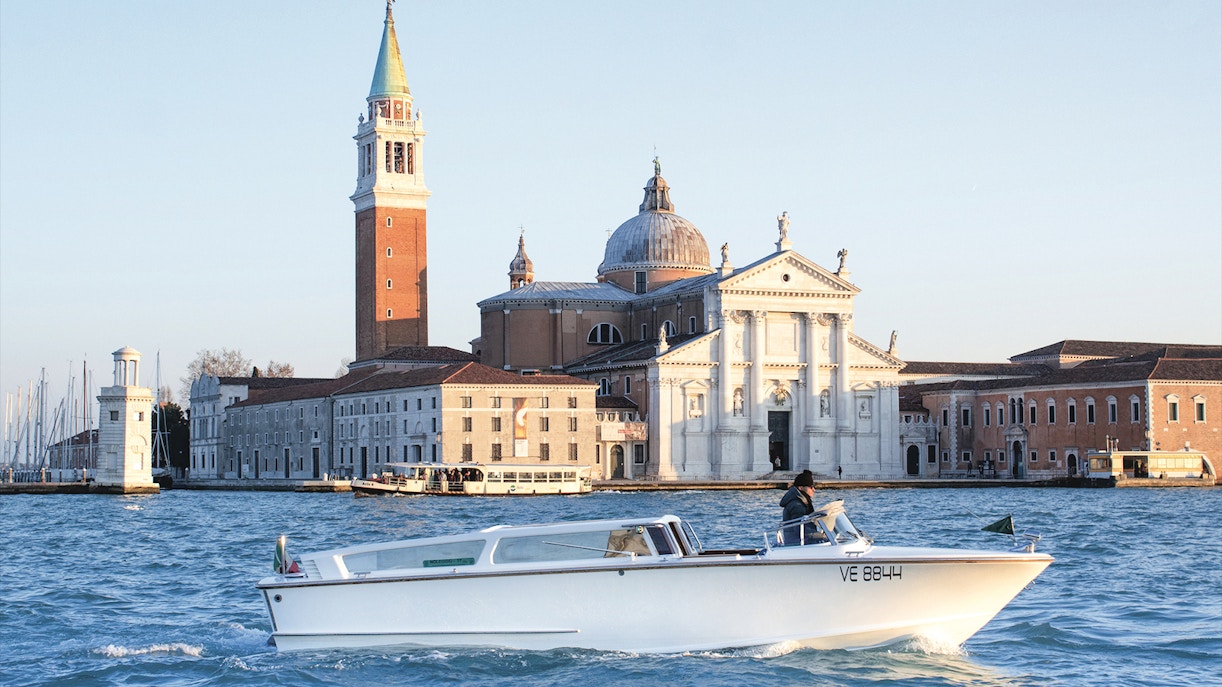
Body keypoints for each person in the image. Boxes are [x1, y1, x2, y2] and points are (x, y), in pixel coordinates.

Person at [779, 470, 817, 545]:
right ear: (800, 488)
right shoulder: (797, 505)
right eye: (811, 487)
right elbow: (799, 528)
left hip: (801, 542)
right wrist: (821, 536)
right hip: (798, 544)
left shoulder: (801, 501)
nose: (814, 490)